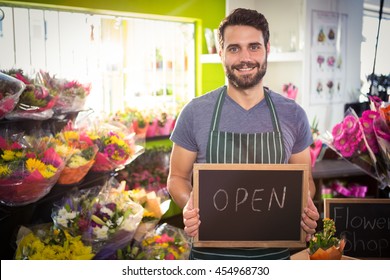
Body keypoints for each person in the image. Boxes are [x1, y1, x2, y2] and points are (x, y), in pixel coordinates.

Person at [167, 8, 319, 260]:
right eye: (234, 48)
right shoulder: (195, 112)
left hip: (274, 254)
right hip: (209, 256)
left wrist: (305, 206)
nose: (244, 57)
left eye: (254, 47)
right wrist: (190, 206)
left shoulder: (293, 114)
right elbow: (177, 178)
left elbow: (307, 181)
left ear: (267, 49)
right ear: (221, 53)